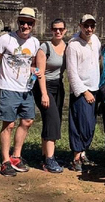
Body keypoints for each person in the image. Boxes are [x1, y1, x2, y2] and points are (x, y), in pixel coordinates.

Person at [0, 7, 40, 176]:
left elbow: (32, 63)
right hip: (8, 88)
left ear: (33, 24)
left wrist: (34, 71)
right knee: (8, 124)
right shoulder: (6, 39)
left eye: (29, 23)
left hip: (26, 89)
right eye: (22, 22)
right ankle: (5, 161)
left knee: (27, 121)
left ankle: (16, 156)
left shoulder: (35, 42)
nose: (25, 26)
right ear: (18, 22)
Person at [66, 14, 101, 172]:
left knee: (90, 124)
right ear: (80, 25)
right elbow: (72, 73)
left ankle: (82, 153)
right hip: (81, 91)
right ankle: (75, 157)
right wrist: (84, 91)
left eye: (92, 26)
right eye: (86, 26)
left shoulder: (96, 40)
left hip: (95, 88)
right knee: (79, 124)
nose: (89, 29)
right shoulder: (73, 45)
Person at [33, 18, 67, 173]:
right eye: (55, 29)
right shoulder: (44, 47)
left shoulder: (67, 48)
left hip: (58, 86)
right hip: (43, 87)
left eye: (61, 29)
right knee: (52, 119)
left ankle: (45, 154)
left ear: (65, 30)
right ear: (51, 30)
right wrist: (44, 94)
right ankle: (50, 160)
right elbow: (40, 73)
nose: (58, 32)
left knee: (53, 120)